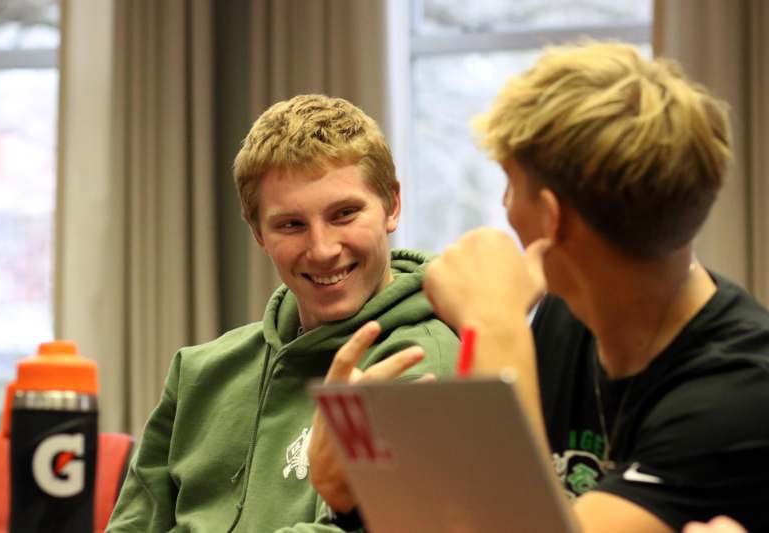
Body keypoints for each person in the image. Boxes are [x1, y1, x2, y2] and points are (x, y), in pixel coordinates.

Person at [309, 42, 769, 532]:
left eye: (509, 186)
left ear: (551, 217)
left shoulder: (741, 397)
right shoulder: (566, 317)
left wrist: (494, 320)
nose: (504, 208)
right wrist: (352, 500)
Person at [106, 94, 459, 532]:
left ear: (392, 205)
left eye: (344, 214)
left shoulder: (421, 361)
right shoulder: (199, 372)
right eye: (291, 224)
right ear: (257, 232)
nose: (323, 249)